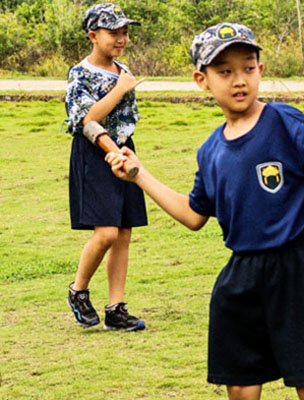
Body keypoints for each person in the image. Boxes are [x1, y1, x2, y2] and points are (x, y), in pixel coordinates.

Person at [106, 22, 304, 399]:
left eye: (248, 67)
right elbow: (195, 215)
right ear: (203, 80)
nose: (239, 80)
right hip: (242, 271)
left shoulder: (285, 123)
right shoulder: (210, 150)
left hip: (296, 266)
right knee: (241, 384)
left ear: (260, 71)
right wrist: (140, 176)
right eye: (224, 71)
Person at [65, 3, 147, 332]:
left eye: (125, 32)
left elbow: (124, 119)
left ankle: (116, 308)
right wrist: (122, 88)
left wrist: (124, 153)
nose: (122, 39)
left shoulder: (121, 69)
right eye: (114, 33)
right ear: (93, 36)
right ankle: (78, 290)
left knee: (124, 232)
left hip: (123, 150)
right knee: (107, 232)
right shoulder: (80, 74)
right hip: (95, 154)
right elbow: (87, 119)